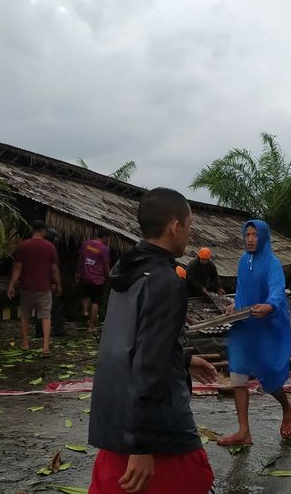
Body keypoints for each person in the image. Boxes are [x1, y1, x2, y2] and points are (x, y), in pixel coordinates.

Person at [88, 188, 217, 494]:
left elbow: (132, 338)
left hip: (118, 411)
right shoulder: (166, 281)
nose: (190, 232)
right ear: (175, 226)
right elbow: (150, 362)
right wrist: (142, 444)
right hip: (154, 427)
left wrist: (184, 358)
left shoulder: (127, 271)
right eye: (189, 224)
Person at [217, 220, 291, 447]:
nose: (250, 239)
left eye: (254, 235)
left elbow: (277, 290)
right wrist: (235, 305)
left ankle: (287, 407)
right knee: (238, 376)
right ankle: (244, 432)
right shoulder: (243, 261)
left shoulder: (272, 263)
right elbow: (241, 289)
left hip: (266, 325)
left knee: (268, 376)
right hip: (244, 324)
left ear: (263, 237)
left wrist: (270, 305)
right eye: (247, 234)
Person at [7, 220, 61, 354]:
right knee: (45, 317)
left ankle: (25, 344)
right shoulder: (50, 247)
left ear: (33, 230)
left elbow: (18, 267)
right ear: (43, 231)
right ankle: (45, 347)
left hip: (27, 287)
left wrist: (11, 285)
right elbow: (54, 268)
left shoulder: (23, 245)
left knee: (25, 316)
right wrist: (58, 284)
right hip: (44, 287)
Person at [76, 229, 111, 332]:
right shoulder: (104, 249)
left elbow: (80, 258)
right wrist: (109, 276)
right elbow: (105, 265)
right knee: (96, 301)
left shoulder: (86, 243)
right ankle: (91, 326)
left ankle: (85, 311)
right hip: (98, 278)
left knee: (85, 295)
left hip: (85, 275)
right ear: (105, 237)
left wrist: (78, 272)